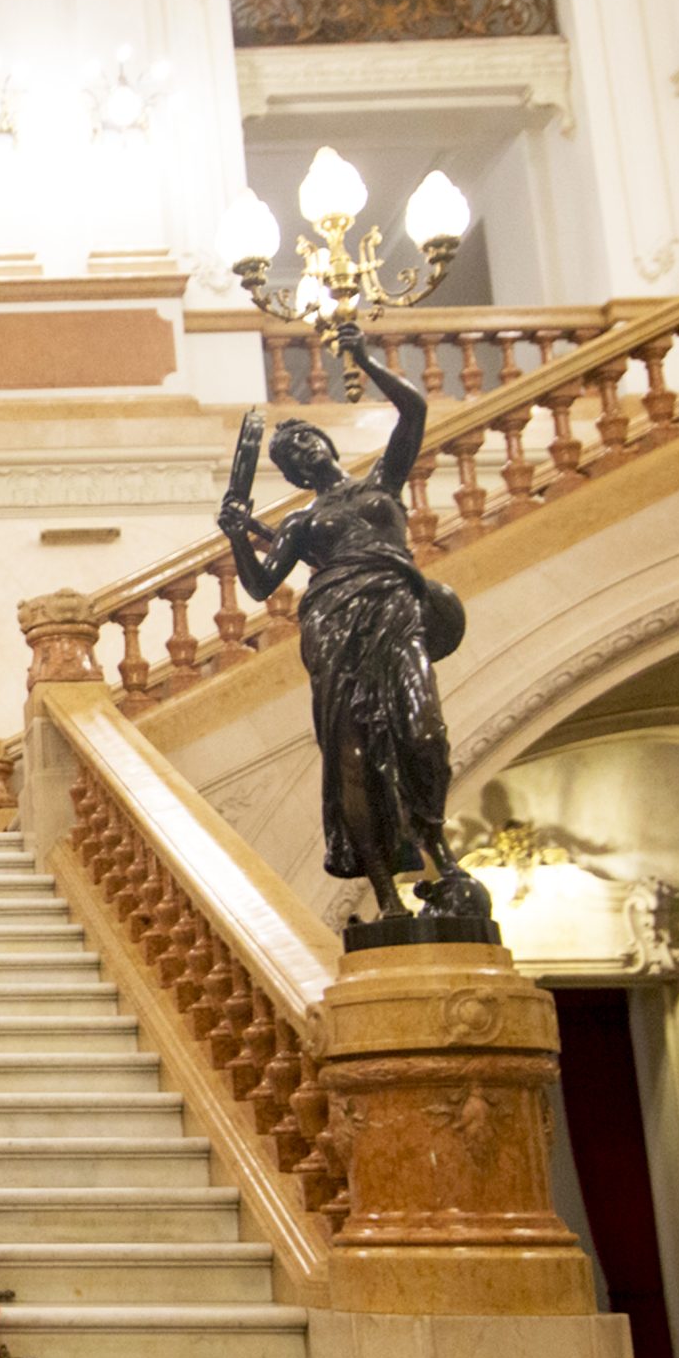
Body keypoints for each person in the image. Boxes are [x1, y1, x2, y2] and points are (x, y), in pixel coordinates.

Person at [217, 323, 486, 923]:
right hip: (334, 625)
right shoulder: (298, 524)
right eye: (291, 455)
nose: (303, 451)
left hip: (393, 609)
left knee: (424, 734)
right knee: (354, 758)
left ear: (327, 444)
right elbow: (262, 586)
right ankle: (387, 895)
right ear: (290, 475)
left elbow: (412, 408)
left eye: (308, 440)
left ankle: (435, 839)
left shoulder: (381, 482)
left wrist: (363, 357)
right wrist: (239, 537)